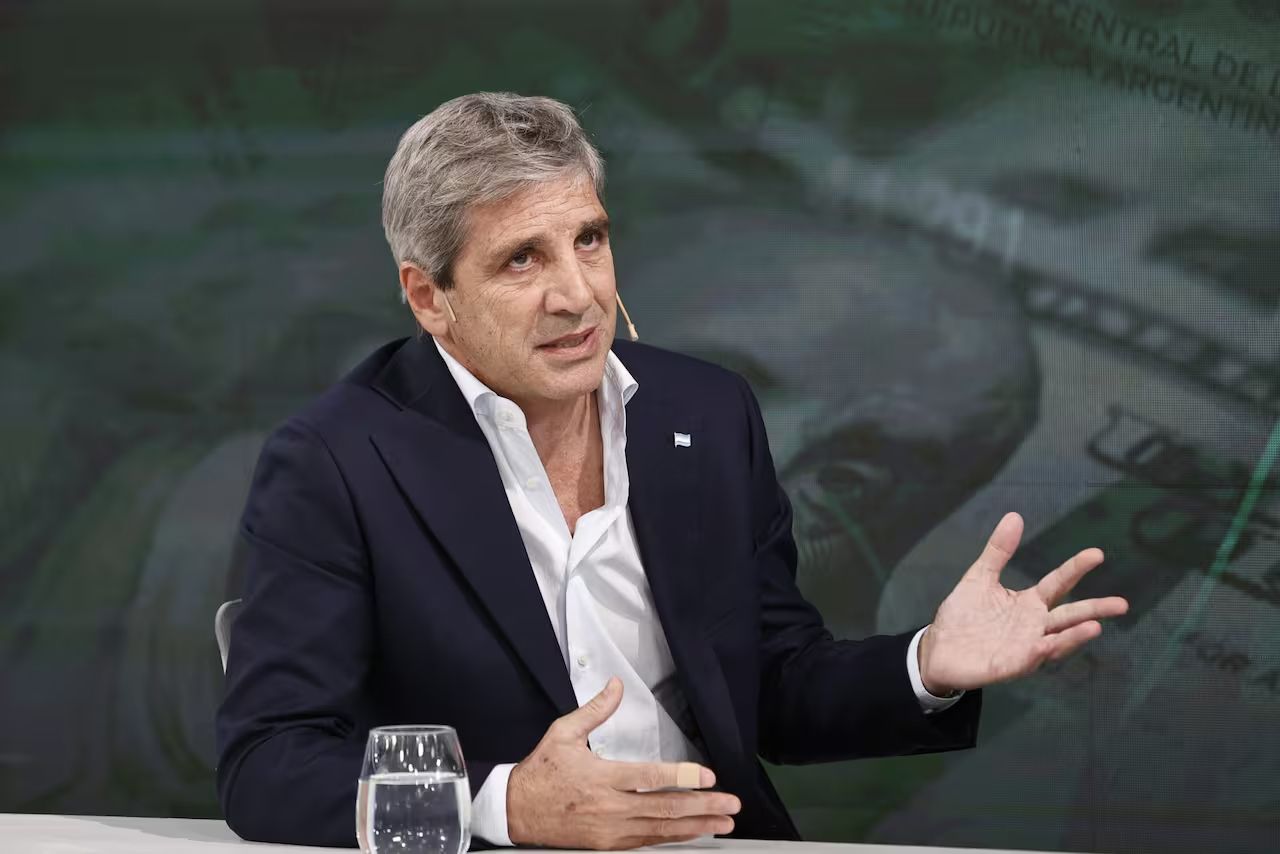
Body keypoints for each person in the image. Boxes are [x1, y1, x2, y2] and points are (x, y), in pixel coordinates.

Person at [215, 92, 1129, 849]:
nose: (578, 294)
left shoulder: (705, 413)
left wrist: (927, 666)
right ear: (429, 297)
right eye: (522, 259)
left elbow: (770, 689)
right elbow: (269, 764)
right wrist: (505, 807)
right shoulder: (338, 460)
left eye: (589, 239)